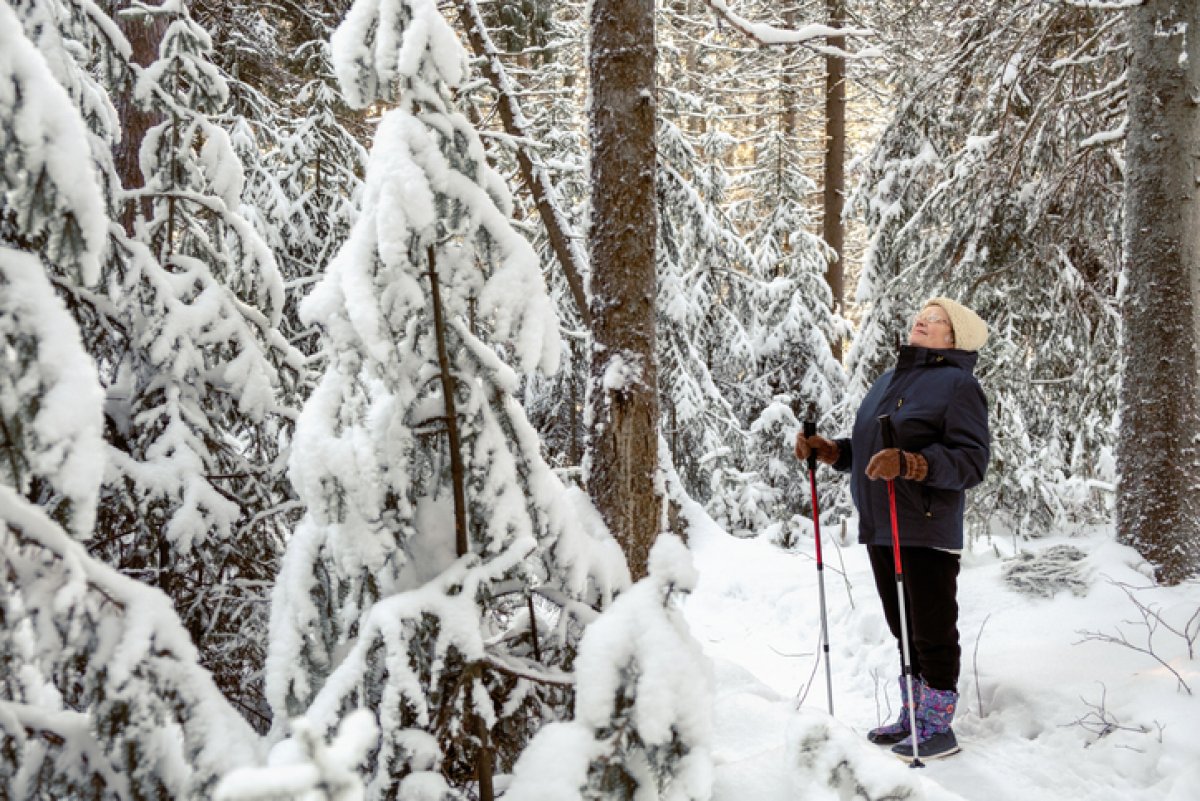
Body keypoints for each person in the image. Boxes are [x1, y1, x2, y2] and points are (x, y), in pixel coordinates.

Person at [795, 297, 990, 761]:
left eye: (935, 319)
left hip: (923, 524)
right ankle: (913, 713)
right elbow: (872, 448)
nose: (922, 321)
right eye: (921, 316)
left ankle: (938, 725)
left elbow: (972, 462)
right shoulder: (890, 380)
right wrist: (832, 451)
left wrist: (913, 463)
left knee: (931, 627)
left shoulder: (960, 385)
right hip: (882, 523)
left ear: (953, 336)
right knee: (903, 627)